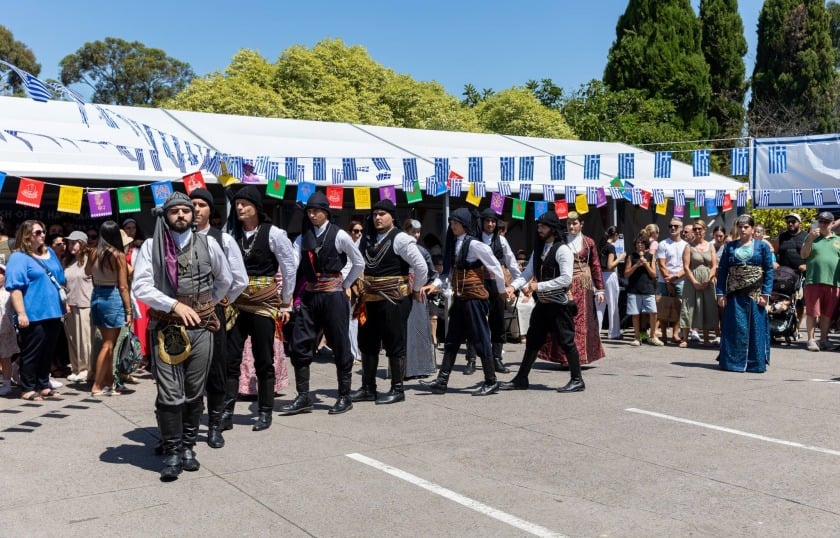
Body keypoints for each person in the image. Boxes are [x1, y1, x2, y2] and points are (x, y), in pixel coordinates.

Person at [132, 192, 233, 481]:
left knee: (194, 390)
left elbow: (226, 280)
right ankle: (173, 451)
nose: (181, 215)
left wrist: (205, 305)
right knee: (169, 392)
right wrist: (174, 305)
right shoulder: (151, 246)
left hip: (200, 327)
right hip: (167, 326)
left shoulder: (209, 243)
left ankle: (188, 447)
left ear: (193, 215)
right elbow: (141, 286)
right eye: (174, 211)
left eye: (185, 211)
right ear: (165, 216)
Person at [282, 192, 364, 415]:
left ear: (326, 212)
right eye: (309, 211)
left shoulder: (340, 235)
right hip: (309, 296)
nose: (312, 215)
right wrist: (286, 298)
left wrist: (344, 283)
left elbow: (358, 262)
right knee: (300, 343)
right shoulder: (302, 238)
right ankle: (303, 396)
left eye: (317, 211)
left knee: (340, 343)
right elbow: (291, 267)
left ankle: (344, 396)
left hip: (333, 296)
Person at [225, 185, 297, 431]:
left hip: (264, 305)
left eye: (244, 204)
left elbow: (289, 267)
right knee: (231, 360)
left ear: (256, 207)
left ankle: (265, 412)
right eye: (237, 204)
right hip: (237, 304)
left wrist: (286, 301)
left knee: (264, 359)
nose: (239, 208)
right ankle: (226, 413)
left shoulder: (273, 233)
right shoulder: (231, 234)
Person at [419, 208, 505, 396]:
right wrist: (435, 285)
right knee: (452, 339)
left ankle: (491, 381)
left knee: (481, 338)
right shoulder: (454, 244)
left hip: (474, 298)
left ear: (465, 224)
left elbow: (496, 267)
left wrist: (502, 291)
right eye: (451, 223)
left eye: (456, 223)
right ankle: (442, 381)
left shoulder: (475, 245)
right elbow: (447, 273)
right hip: (460, 298)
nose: (452, 226)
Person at [347, 202, 426, 405]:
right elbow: (355, 262)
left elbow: (420, 266)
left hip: (394, 300)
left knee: (394, 342)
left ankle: (397, 389)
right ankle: (368, 387)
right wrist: (348, 284)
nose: (378, 218)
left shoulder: (401, 238)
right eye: (375, 214)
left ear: (392, 216)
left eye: (382, 214)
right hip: (369, 298)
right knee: (367, 342)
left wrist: (416, 289)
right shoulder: (366, 238)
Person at [189, 188, 247, 448]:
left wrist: (220, 301)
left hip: (213, 312)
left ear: (210, 210)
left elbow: (239, 279)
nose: (196, 209)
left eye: (202, 205)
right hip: (182, 314)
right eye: (192, 204)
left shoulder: (223, 239)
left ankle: (214, 426)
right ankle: (185, 427)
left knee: (216, 369)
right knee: (185, 371)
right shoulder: (176, 238)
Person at [503, 210, 584, 392]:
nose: (539, 229)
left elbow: (566, 279)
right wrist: (512, 287)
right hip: (543, 305)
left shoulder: (563, 250)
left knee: (566, 341)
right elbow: (526, 273)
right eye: (539, 226)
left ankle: (577, 380)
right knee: (533, 340)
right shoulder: (539, 249)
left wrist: (539, 286)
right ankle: (521, 378)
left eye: (543, 226)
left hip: (559, 305)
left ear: (553, 229)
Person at [5, 220, 67, 401]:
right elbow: (15, 288)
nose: (43, 235)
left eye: (43, 232)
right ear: (27, 236)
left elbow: (59, 279)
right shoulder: (18, 257)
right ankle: (27, 387)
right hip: (33, 312)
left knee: (48, 350)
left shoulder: (50, 253)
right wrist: (21, 313)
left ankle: (43, 384)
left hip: (53, 310)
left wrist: (65, 303)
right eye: (38, 233)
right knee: (32, 351)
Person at [538, 211, 605, 366]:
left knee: (582, 322)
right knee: (563, 320)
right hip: (563, 284)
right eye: (569, 223)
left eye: (574, 223)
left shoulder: (588, 242)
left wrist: (600, 289)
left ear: (581, 224)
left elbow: (595, 265)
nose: (571, 226)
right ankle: (563, 357)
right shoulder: (560, 241)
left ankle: (580, 357)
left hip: (583, 285)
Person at [463, 208, 521, 374]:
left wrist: (519, 283)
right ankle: (471, 359)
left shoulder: (501, 241)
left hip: (496, 284)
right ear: (482, 222)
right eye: (487, 221)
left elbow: (511, 262)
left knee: (498, 321)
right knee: (474, 321)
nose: (490, 224)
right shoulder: (473, 240)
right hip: (477, 284)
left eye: (493, 221)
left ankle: (496, 359)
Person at [716, 214, 774, 373]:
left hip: (755, 295)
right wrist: (720, 293)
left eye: (746, 227)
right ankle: (732, 363)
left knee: (755, 328)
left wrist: (766, 294)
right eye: (740, 227)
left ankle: (755, 363)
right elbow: (722, 271)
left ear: (752, 229)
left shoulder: (762, 247)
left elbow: (769, 271)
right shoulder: (730, 247)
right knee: (734, 328)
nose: (742, 229)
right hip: (734, 295)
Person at [86, 221, 132, 397]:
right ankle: (97, 385)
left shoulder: (94, 252)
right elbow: (123, 286)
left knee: (108, 343)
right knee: (108, 344)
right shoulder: (118, 255)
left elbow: (87, 272)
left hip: (97, 295)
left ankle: (108, 382)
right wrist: (129, 310)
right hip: (112, 296)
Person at [402, 218, 441, 379]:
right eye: (413, 232)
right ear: (405, 232)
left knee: (420, 332)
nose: (416, 235)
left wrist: (428, 286)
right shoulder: (398, 249)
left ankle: (422, 369)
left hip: (418, 296)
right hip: (402, 294)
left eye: (418, 232)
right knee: (404, 332)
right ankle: (403, 370)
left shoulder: (423, 252)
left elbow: (433, 274)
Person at [800, 212, 840, 352]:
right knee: (812, 312)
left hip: (833, 281)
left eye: (826, 222)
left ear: (832, 223)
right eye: (821, 221)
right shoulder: (811, 237)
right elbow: (803, 255)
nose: (823, 224)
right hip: (814, 280)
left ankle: (824, 339)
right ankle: (811, 340)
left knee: (827, 313)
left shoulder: (838, 240)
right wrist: (810, 239)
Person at [679, 219, 718, 347]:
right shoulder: (688, 247)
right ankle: (685, 339)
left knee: (707, 306)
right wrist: (695, 282)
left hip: (707, 280)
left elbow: (714, 265)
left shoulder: (710, 246)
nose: (697, 231)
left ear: (704, 230)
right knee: (688, 307)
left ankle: (706, 339)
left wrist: (709, 279)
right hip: (692, 280)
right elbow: (686, 267)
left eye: (699, 229)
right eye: (694, 229)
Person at [62, 231, 93, 383]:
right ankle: (76, 368)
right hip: (70, 304)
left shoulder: (90, 260)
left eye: (74, 242)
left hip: (85, 304)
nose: (70, 245)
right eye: (69, 243)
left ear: (82, 243)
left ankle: (86, 369)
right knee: (72, 339)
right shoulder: (68, 262)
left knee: (85, 339)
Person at [656, 218, 688, 345]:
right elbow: (661, 264)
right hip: (664, 280)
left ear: (681, 228)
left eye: (675, 226)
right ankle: (664, 334)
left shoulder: (686, 245)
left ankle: (675, 334)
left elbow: (687, 265)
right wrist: (669, 282)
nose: (673, 228)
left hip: (680, 280)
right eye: (670, 226)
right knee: (664, 307)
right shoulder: (663, 244)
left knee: (679, 308)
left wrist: (676, 277)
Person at [625, 234, 660, 346]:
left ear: (646, 245)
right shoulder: (631, 256)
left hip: (648, 288)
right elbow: (626, 274)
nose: (640, 245)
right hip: (634, 289)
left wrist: (646, 265)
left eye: (642, 243)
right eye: (638, 243)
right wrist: (636, 265)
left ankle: (652, 336)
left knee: (653, 312)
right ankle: (637, 337)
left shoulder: (650, 256)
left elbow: (654, 274)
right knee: (635, 314)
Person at [596, 226, 625, 340]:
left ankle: (597, 332)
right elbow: (610, 265)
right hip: (609, 276)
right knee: (613, 304)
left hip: (600, 276)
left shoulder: (601, 246)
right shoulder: (611, 247)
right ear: (616, 235)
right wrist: (620, 258)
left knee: (599, 305)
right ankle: (614, 332)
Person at [347, 220, 364, 365]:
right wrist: (346, 286)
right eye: (356, 231)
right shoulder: (347, 246)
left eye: (360, 231)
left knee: (354, 320)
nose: (359, 234)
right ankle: (352, 354)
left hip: (358, 288)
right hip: (349, 287)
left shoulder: (359, 246)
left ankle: (354, 352)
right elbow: (346, 268)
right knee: (351, 321)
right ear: (350, 232)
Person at [0, 263, 18, 395]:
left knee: (6, 357)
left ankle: (6, 383)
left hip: (6, 330)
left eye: (1, 273)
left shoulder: (9, 292)